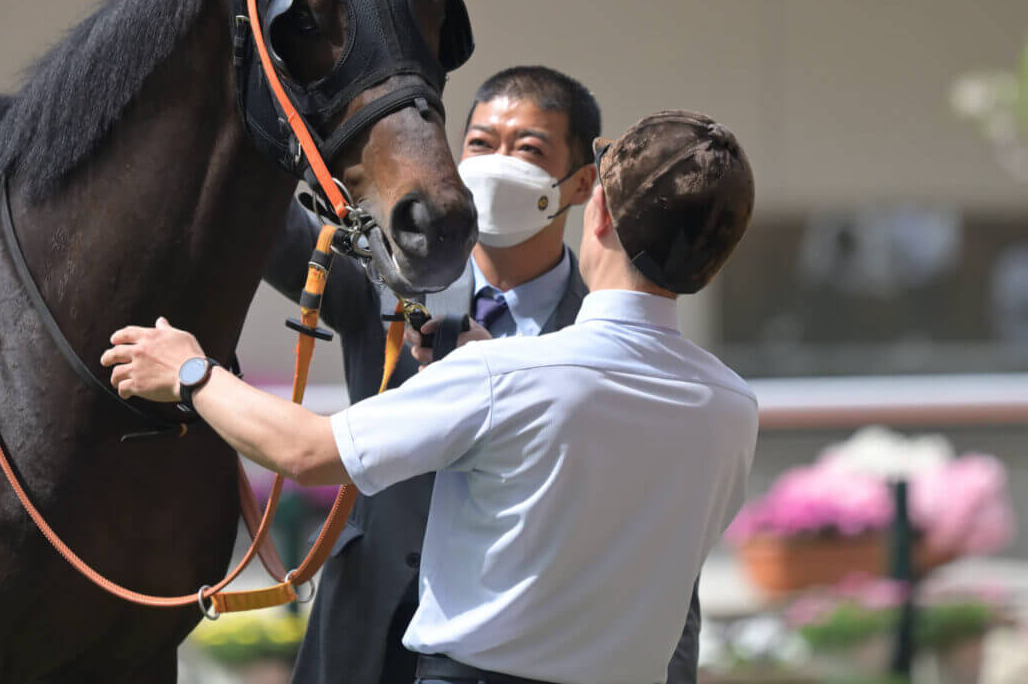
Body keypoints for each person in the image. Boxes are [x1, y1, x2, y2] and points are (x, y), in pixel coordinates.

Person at [104, 109, 759, 684]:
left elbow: (305, 451)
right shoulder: (735, 408)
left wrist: (191, 373)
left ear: (601, 212)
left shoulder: (507, 376)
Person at [263, 66, 701, 684]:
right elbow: (260, 221)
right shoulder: (388, 280)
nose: (497, 163)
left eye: (527, 149)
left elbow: (666, 569)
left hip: (515, 659)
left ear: (580, 185)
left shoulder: (607, 338)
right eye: (480, 143)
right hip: (362, 640)